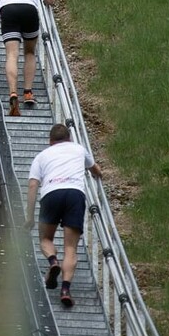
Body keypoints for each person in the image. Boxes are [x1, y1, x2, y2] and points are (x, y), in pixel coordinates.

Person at [25, 123, 103, 309]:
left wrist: (29, 217)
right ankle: (66, 290)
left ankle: (53, 261)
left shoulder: (42, 156)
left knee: (45, 238)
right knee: (71, 248)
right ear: (69, 138)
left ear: (50, 141)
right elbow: (95, 170)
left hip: (51, 193)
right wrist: (100, 175)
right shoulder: (78, 149)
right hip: (75, 194)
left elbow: (33, 186)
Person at [0, 0, 54, 116]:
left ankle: (12, 92)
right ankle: (28, 91)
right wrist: (50, 3)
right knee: (29, 52)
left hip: (7, 8)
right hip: (28, 8)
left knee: (11, 54)